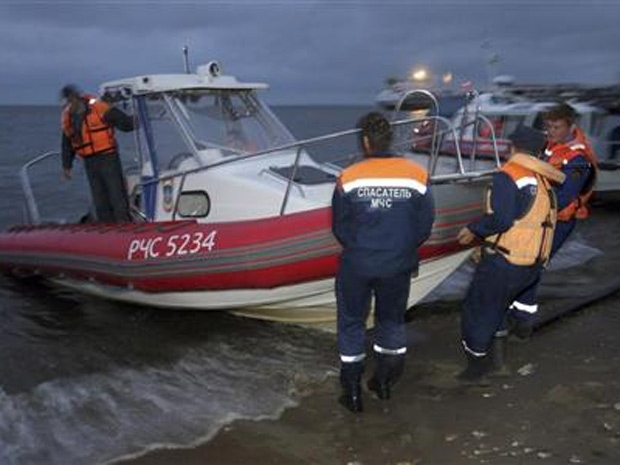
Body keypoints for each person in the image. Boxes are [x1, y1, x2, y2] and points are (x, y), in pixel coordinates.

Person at [331, 112, 435, 413]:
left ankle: (352, 392)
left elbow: (340, 226)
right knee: (391, 322)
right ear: (389, 138)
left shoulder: (348, 177)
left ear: (365, 141)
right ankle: (384, 382)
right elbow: (424, 224)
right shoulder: (416, 175)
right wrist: (400, 248)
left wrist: (363, 247)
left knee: (351, 323)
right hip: (397, 265)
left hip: (358, 264)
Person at [456, 125, 565, 382]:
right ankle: (498, 359)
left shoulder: (510, 175)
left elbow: (503, 219)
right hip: (532, 265)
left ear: (512, 147)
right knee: (498, 309)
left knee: (478, 311)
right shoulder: (543, 180)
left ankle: (477, 367)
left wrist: (474, 229)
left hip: (506, 260)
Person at [506, 102, 598, 338]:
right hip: (540, 215)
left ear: (570, 126)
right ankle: (514, 312)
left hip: (559, 220)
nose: (550, 132)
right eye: (547, 126)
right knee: (524, 261)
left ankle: (523, 320)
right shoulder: (550, 145)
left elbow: (564, 196)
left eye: (556, 127)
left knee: (534, 264)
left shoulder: (578, 159)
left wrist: (525, 205)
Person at [60, 84, 135, 223]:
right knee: (99, 197)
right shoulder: (68, 117)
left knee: (116, 193)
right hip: (89, 160)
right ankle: (107, 227)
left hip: (108, 157)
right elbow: (67, 142)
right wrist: (66, 165)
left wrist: (136, 120)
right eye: (67, 101)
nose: (69, 103)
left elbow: (124, 123)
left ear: (76, 96)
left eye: (71, 99)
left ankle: (124, 224)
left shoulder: (99, 107)